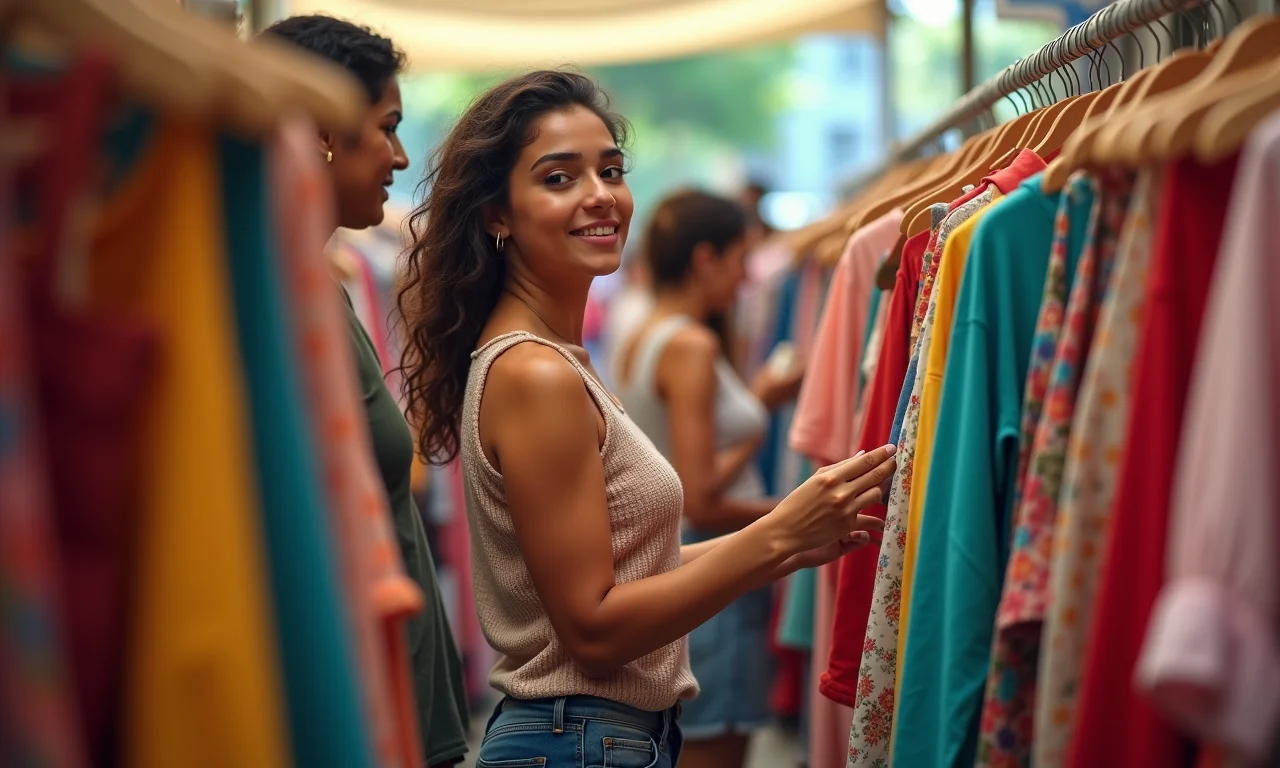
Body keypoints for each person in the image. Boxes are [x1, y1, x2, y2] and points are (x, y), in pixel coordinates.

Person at [396, 69, 895, 768]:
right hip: (578, 741)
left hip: (599, 737)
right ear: (496, 214)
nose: (600, 195)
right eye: (559, 178)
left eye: (610, 170)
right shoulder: (536, 374)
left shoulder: (556, 357)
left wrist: (786, 543)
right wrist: (777, 533)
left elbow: (625, 572)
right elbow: (593, 630)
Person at [262, 16, 471, 768]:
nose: (401, 155)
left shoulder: (321, 283)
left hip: (396, 691)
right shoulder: (274, 298)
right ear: (321, 131)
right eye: (386, 128)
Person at [613, 189, 802, 768]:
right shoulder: (690, 345)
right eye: (742, 259)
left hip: (685, 564)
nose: (748, 277)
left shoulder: (646, 331)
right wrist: (796, 509)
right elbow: (700, 497)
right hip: (713, 569)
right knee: (716, 748)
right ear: (705, 260)